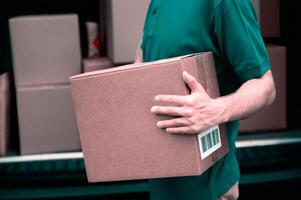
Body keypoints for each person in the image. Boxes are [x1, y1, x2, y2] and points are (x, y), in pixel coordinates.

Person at [135, 0, 276, 199]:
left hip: (209, 190)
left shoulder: (226, 3)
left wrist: (214, 111)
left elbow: (265, 86)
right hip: (163, 187)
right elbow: (143, 62)